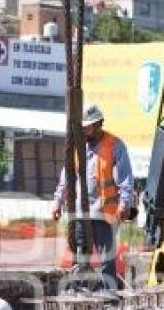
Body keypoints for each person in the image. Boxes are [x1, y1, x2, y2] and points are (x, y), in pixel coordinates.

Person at [52, 104, 134, 292]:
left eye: (87, 127)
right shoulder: (76, 148)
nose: (84, 130)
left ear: (98, 124)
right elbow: (67, 177)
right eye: (82, 127)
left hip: (105, 213)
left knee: (107, 258)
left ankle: (109, 294)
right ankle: (80, 292)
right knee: (80, 256)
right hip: (82, 213)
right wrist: (58, 201)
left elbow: (125, 177)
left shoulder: (115, 145)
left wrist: (124, 202)